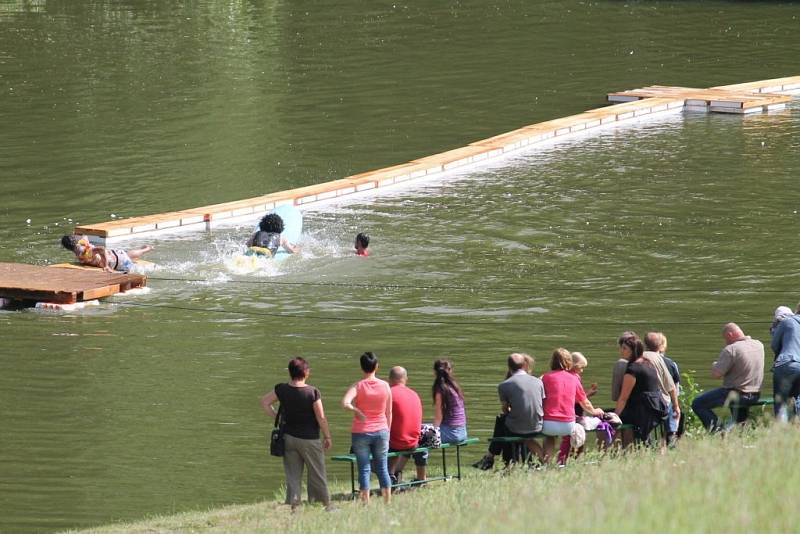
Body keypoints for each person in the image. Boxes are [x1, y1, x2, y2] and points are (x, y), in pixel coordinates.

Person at [260, 357, 332, 510]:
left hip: (289, 438)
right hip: (309, 439)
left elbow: (265, 402)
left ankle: (294, 506)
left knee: (293, 475)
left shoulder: (281, 389)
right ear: (305, 372)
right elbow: (321, 417)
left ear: (290, 372)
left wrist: (277, 417)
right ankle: (324, 504)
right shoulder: (312, 392)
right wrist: (327, 436)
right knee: (317, 472)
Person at [472, 353, 545, 470]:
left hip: (519, 428)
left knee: (502, 422)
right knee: (506, 423)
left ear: (509, 367)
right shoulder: (538, 382)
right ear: (524, 365)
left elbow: (505, 409)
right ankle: (497, 460)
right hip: (538, 425)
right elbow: (540, 404)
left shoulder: (504, 385)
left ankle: (501, 462)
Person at [690, 323, 765, 431]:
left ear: (730, 335)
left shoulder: (731, 349)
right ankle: (739, 434)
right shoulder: (759, 345)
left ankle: (718, 432)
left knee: (698, 404)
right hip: (755, 395)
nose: (726, 342)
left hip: (737, 394)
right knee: (739, 417)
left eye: (725, 339)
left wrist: (715, 365)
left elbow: (716, 374)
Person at [342, 352, 392, 503]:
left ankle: (366, 502)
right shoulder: (385, 386)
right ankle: (387, 501)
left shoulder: (358, 386)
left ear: (361, 367)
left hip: (361, 432)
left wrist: (356, 410)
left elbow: (345, 403)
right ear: (377, 366)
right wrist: (387, 431)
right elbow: (389, 412)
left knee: (364, 469)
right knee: (383, 468)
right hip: (382, 430)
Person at [541, 348, 603, 463]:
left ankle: (547, 464)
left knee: (549, 437)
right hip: (568, 425)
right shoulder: (573, 379)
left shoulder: (545, 377)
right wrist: (594, 411)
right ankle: (570, 461)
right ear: (569, 362)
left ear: (552, 361)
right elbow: (584, 402)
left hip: (548, 424)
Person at [615, 332, 668, 445]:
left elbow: (623, 398)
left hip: (643, 412)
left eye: (624, 348)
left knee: (606, 418)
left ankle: (621, 450)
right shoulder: (647, 363)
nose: (621, 351)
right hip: (656, 409)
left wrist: (615, 416)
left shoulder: (633, 369)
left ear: (633, 350)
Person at [387, 366, 427, 483]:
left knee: (362, 447)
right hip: (414, 442)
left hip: (395, 444)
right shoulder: (414, 394)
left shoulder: (388, 394)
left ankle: (390, 476)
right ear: (406, 379)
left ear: (389, 379)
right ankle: (396, 473)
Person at [641, 334, 681, 445]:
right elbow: (674, 387)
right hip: (662, 403)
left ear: (645, 345)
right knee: (673, 399)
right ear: (661, 347)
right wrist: (676, 405)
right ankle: (671, 433)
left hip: (644, 401)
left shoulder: (640, 359)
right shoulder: (670, 363)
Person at [61, 234, 152, 273]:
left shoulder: (84, 252)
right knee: (127, 255)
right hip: (117, 256)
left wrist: (105, 266)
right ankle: (146, 249)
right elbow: (85, 237)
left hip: (119, 263)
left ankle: (146, 249)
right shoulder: (81, 243)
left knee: (138, 268)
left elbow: (102, 249)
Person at [771, 305, 800, 421]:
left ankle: (781, 432)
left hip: (787, 362)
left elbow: (774, 345)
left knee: (781, 401)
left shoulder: (788, 321)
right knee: (798, 399)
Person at [432, 359, 467, 444]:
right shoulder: (455, 387)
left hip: (451, 434)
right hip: (463, 433)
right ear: (450, 371)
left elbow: (438, 418)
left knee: (418, 435)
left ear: (434, 372)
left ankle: (421, 457)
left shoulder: (440, 390)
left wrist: (432, 433)